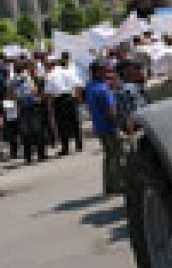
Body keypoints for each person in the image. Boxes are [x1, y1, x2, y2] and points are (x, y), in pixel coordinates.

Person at [85, 60, 122, 195]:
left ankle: (110, 185)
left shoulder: (90, 87)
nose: (106, 72)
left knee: (109, 156)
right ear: (97, 71)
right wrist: (117, 125)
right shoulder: (102, 88)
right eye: (104, 70)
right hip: (109, 127)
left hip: (99, 126)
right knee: (117, 157)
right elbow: (111, 110)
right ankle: (118, 185)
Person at [44, 53, 84, 156]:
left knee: (62, 124)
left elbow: (48, 93)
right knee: (75, 121)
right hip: (70, 97)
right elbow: (78, 85)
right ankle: (79, 144)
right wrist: (78, 98)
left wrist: (49, 106)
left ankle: (65, 147)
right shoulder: (68, 72)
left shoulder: (50, 75)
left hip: (59, 100)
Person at [13, 63, 47, 164]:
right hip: (26, 107)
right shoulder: (16, 81)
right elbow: (14, 94)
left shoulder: (30, 78)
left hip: (30, 107)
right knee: (30, 132)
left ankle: (36, 155)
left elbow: (36, 91)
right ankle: (33, 156)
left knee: (33, 131)